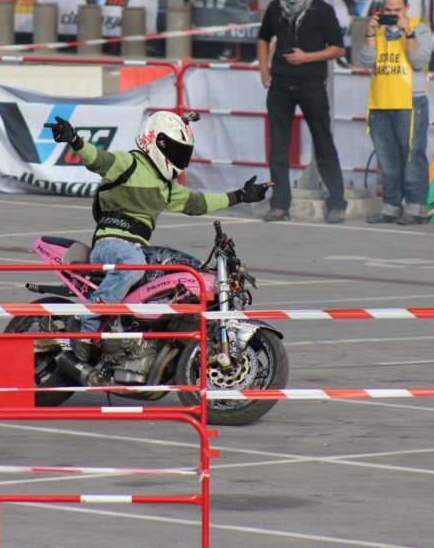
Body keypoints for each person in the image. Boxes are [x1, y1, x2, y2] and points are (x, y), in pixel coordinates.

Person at [42, 112, 271, 362]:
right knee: (133, 264)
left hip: (139, 250)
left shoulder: (167, 186)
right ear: (155, 141)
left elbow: (198, 203)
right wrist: (74, 140)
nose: (179, 157)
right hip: (110, 245)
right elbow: (98, 158)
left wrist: (240, 195)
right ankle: (88, 321)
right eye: (175, 150)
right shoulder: (128, 163)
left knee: (186, 270)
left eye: (183, 152)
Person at [257, 0, 347, 224]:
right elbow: (263, 37)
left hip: (311, 84)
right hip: (281, 86)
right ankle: (279, 204)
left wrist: (307, 57)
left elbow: (338, 49)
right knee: (278, 148)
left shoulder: (321, 9)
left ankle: (337, 203)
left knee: (324, 143)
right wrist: (263, 67)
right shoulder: (276, 7)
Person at [360, 0, 434, 226]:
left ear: (407, 8)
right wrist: (369, 34)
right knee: (387, 160)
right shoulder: (378, 30)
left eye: (398, 10)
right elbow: (366, 61)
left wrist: (408, 32)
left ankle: (416, 208)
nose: (393, 15)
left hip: (410, 101)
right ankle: (390, 206)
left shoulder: (420, 27)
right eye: (388, 10)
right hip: (381, 101)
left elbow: (419, 60)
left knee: (412, 156)